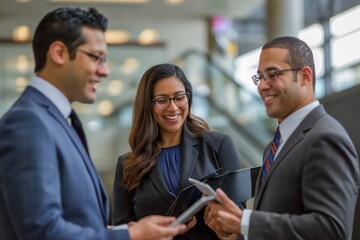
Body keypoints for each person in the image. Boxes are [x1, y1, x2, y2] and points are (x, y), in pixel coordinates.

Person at [0, 7, 185, 240]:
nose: (104, 71)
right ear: (59, 53)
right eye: (96, 57)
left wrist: (131, 230)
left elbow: (74, 220)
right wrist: (130, 237)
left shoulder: (55, 119)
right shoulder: (28, 123)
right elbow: (42, 232)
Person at [204, 36, 360, 240]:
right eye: (260, 77)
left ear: (305, 76)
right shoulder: (273, 146)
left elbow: (332, 230)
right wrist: (236, 232)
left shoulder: (326, 138)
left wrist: (244, 221)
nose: (262, 86)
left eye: (273, 74)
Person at [112, 63, 243, 240]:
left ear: (188, 97)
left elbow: (239, 217)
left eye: (179, 97)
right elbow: (122, 232)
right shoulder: (127, 164)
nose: (173, 108)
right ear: (148, 105)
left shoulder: (218, 145)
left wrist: (222, 225)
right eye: (162, 100)